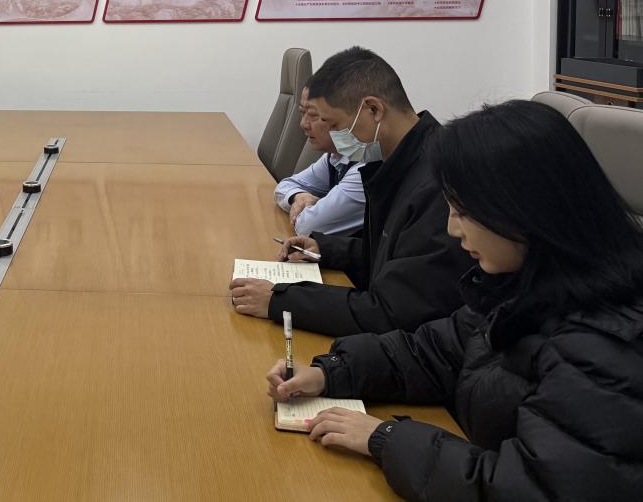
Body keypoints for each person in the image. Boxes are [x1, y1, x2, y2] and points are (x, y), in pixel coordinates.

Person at [266, 100, 643, 500]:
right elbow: (434, 351)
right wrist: (331, 373)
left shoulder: (604, 349)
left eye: (463, 212)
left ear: (524, 208)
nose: (452, 229)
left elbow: (530, 490)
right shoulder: (526, 284)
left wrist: (386, 437)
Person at [230, 46, 471, 335]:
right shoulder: (399, 161)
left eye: (335, 125)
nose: (333, 137)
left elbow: (391, 313)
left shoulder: (437, 183)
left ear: (373, 110)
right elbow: (396, 257)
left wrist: (279, 301)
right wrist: (327, 249)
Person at [273, 87, 365, 235]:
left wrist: (315, 208)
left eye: (314, 115)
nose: (303, 124)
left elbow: (308, 227)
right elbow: (285, 185)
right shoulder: (337, 156)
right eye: (302, 113)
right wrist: (299, 196)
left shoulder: (366, 166)